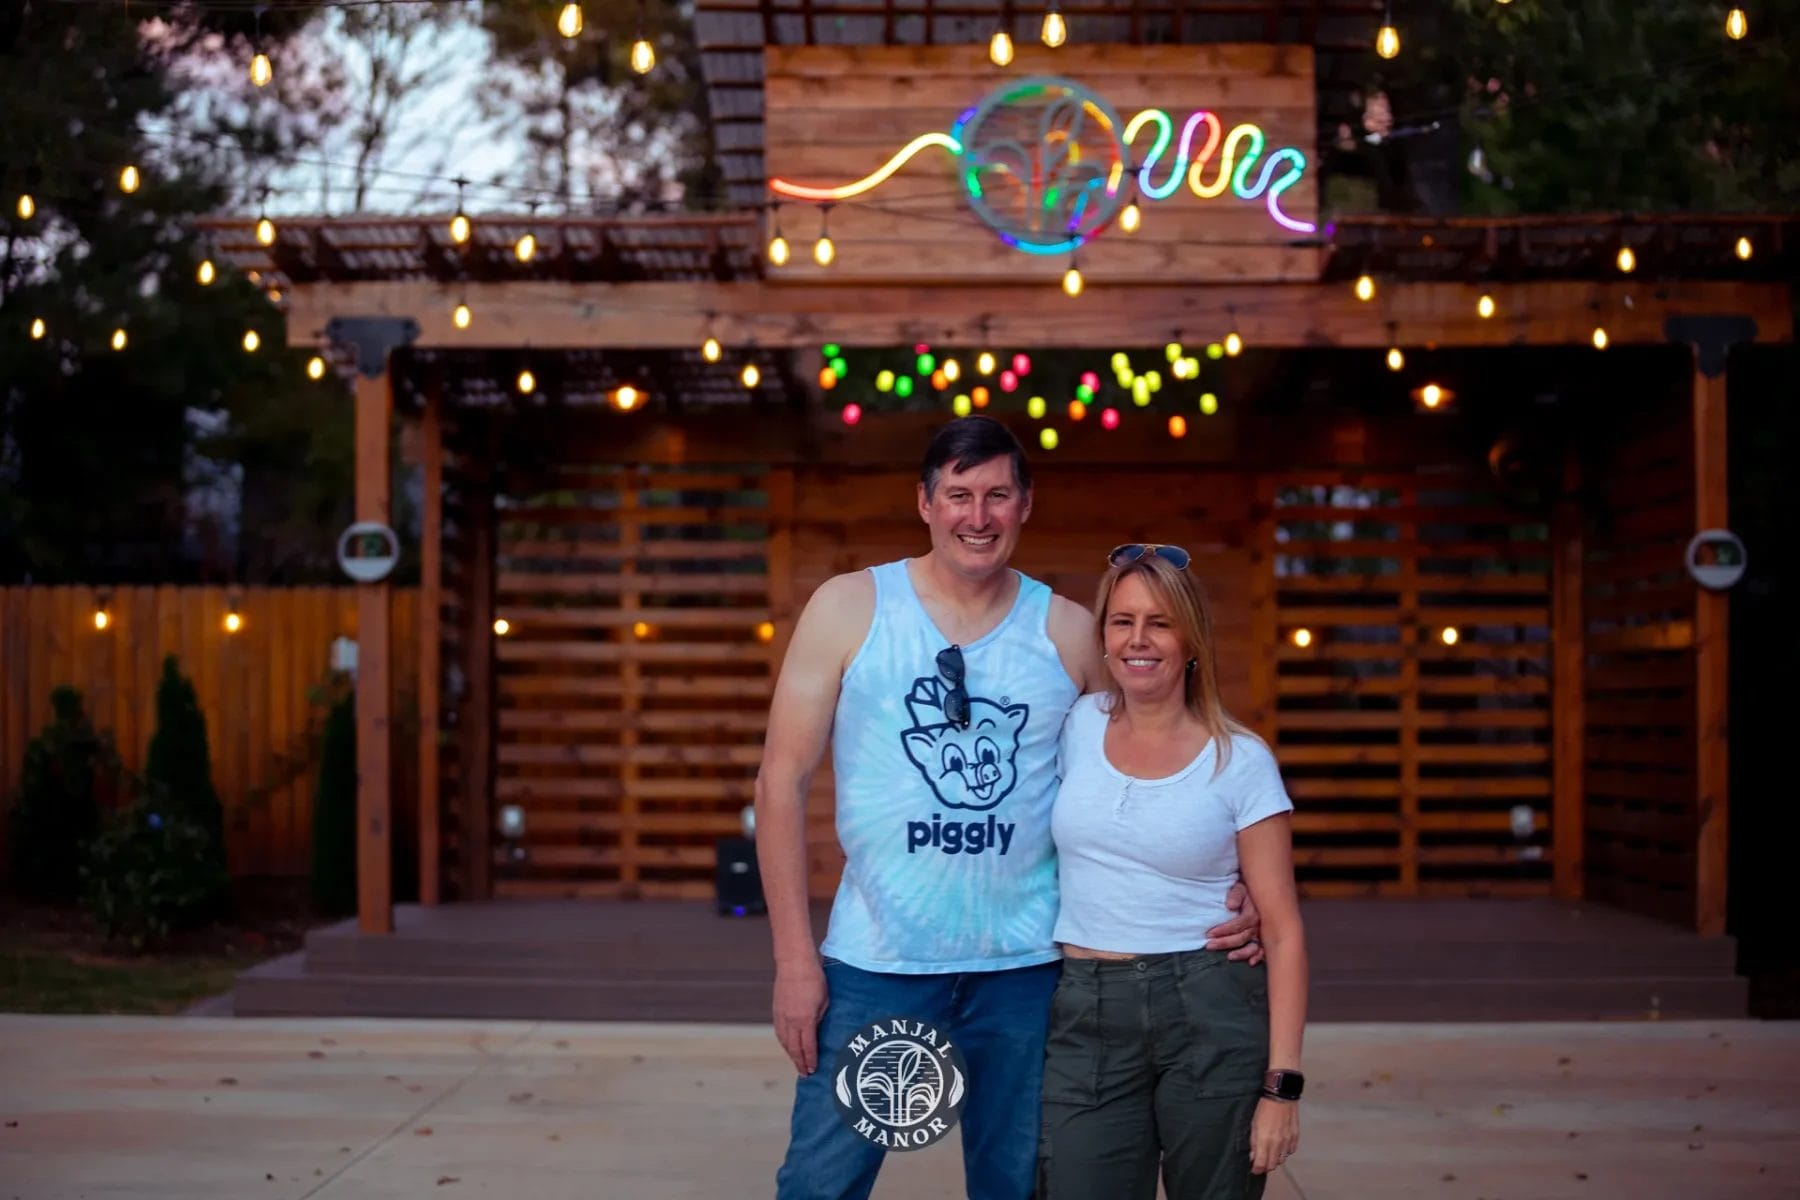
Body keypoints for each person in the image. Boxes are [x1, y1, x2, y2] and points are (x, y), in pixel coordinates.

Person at [754, 416, 1263, 1200]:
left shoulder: (1067, 630)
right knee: (822, 1184)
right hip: (881, 965)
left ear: (1026, 504)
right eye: (959, 494)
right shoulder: (850, 608)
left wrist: (1231, 878)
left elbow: (1146, 760)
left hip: (1026, 974)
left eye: (997, 494)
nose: (978, 515)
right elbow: (780, 782)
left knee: (1015, 1188)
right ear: (925, 503)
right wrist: (794, 959)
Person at [1038, 542, 1308, 1199]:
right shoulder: (1073, 724)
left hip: (1207, 1005)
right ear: (1102, 636)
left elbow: (1283, 934)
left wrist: (1282, 1088)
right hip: (1087, 1006)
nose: (1139, 640)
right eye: (1122, 621)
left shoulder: (1240, 760)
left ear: (1191, 638)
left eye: (1159, 622)